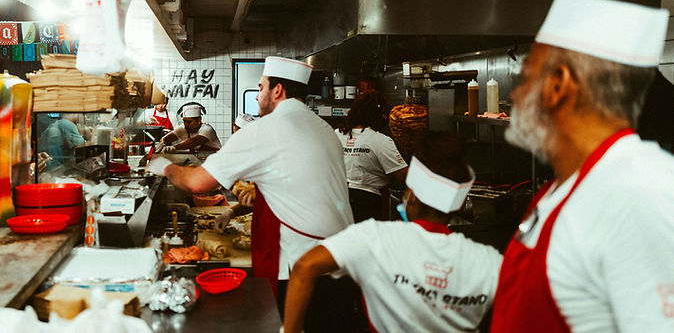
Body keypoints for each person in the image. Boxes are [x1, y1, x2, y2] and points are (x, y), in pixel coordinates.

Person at [489, 0, 674, 331]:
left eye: (526, 76)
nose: (515, 95)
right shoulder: (568, 186)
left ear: (559, 85)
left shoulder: (637, 193)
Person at [147, 57, 361, 332]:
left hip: (299, 272)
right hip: (339, 264)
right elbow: (295, 191)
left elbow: (196, 182)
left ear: (277, 90)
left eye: (261, 87)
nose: (258, 95)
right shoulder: (323, 128)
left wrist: (163, 166)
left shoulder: (266, 128)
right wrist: (234, 210)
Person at [283, 132, 502, 333]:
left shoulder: (374, 239)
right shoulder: (488, 262)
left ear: (412, 196)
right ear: (456, 205)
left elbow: (305, 267)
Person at [335, 91, 408, 222]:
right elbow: (403, 176)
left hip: (338, 196)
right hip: (367, 201)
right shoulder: (379, 140)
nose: (385, 117)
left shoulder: (336, 134)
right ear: (376, 115)